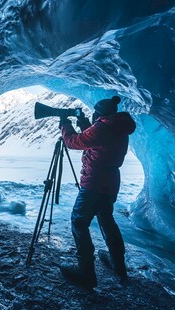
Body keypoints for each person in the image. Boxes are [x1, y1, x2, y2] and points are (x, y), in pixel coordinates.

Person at [58, 95, 136, 289]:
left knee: (79, 221)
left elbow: (74, 142)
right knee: (107, 220)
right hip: (109, 183)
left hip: (94, 182)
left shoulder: (102, 127)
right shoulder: (118, 127)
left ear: (99, 115)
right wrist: (84, 123)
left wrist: (64, 125)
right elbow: (97, 139)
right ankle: (119, 266)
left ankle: (86, 273)